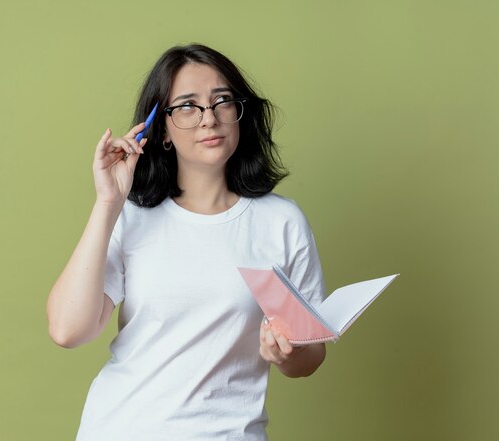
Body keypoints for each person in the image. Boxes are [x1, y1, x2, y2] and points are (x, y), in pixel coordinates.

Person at [46, 43, 327, 441]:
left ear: (239, 113)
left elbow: (310, 356)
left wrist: (290, 354)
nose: (208, 118)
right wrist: (109, 202)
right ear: (161, 128)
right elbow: (67, 329)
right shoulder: (131, 217)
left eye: (221, 101)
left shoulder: (281, 223)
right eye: (188, 106)